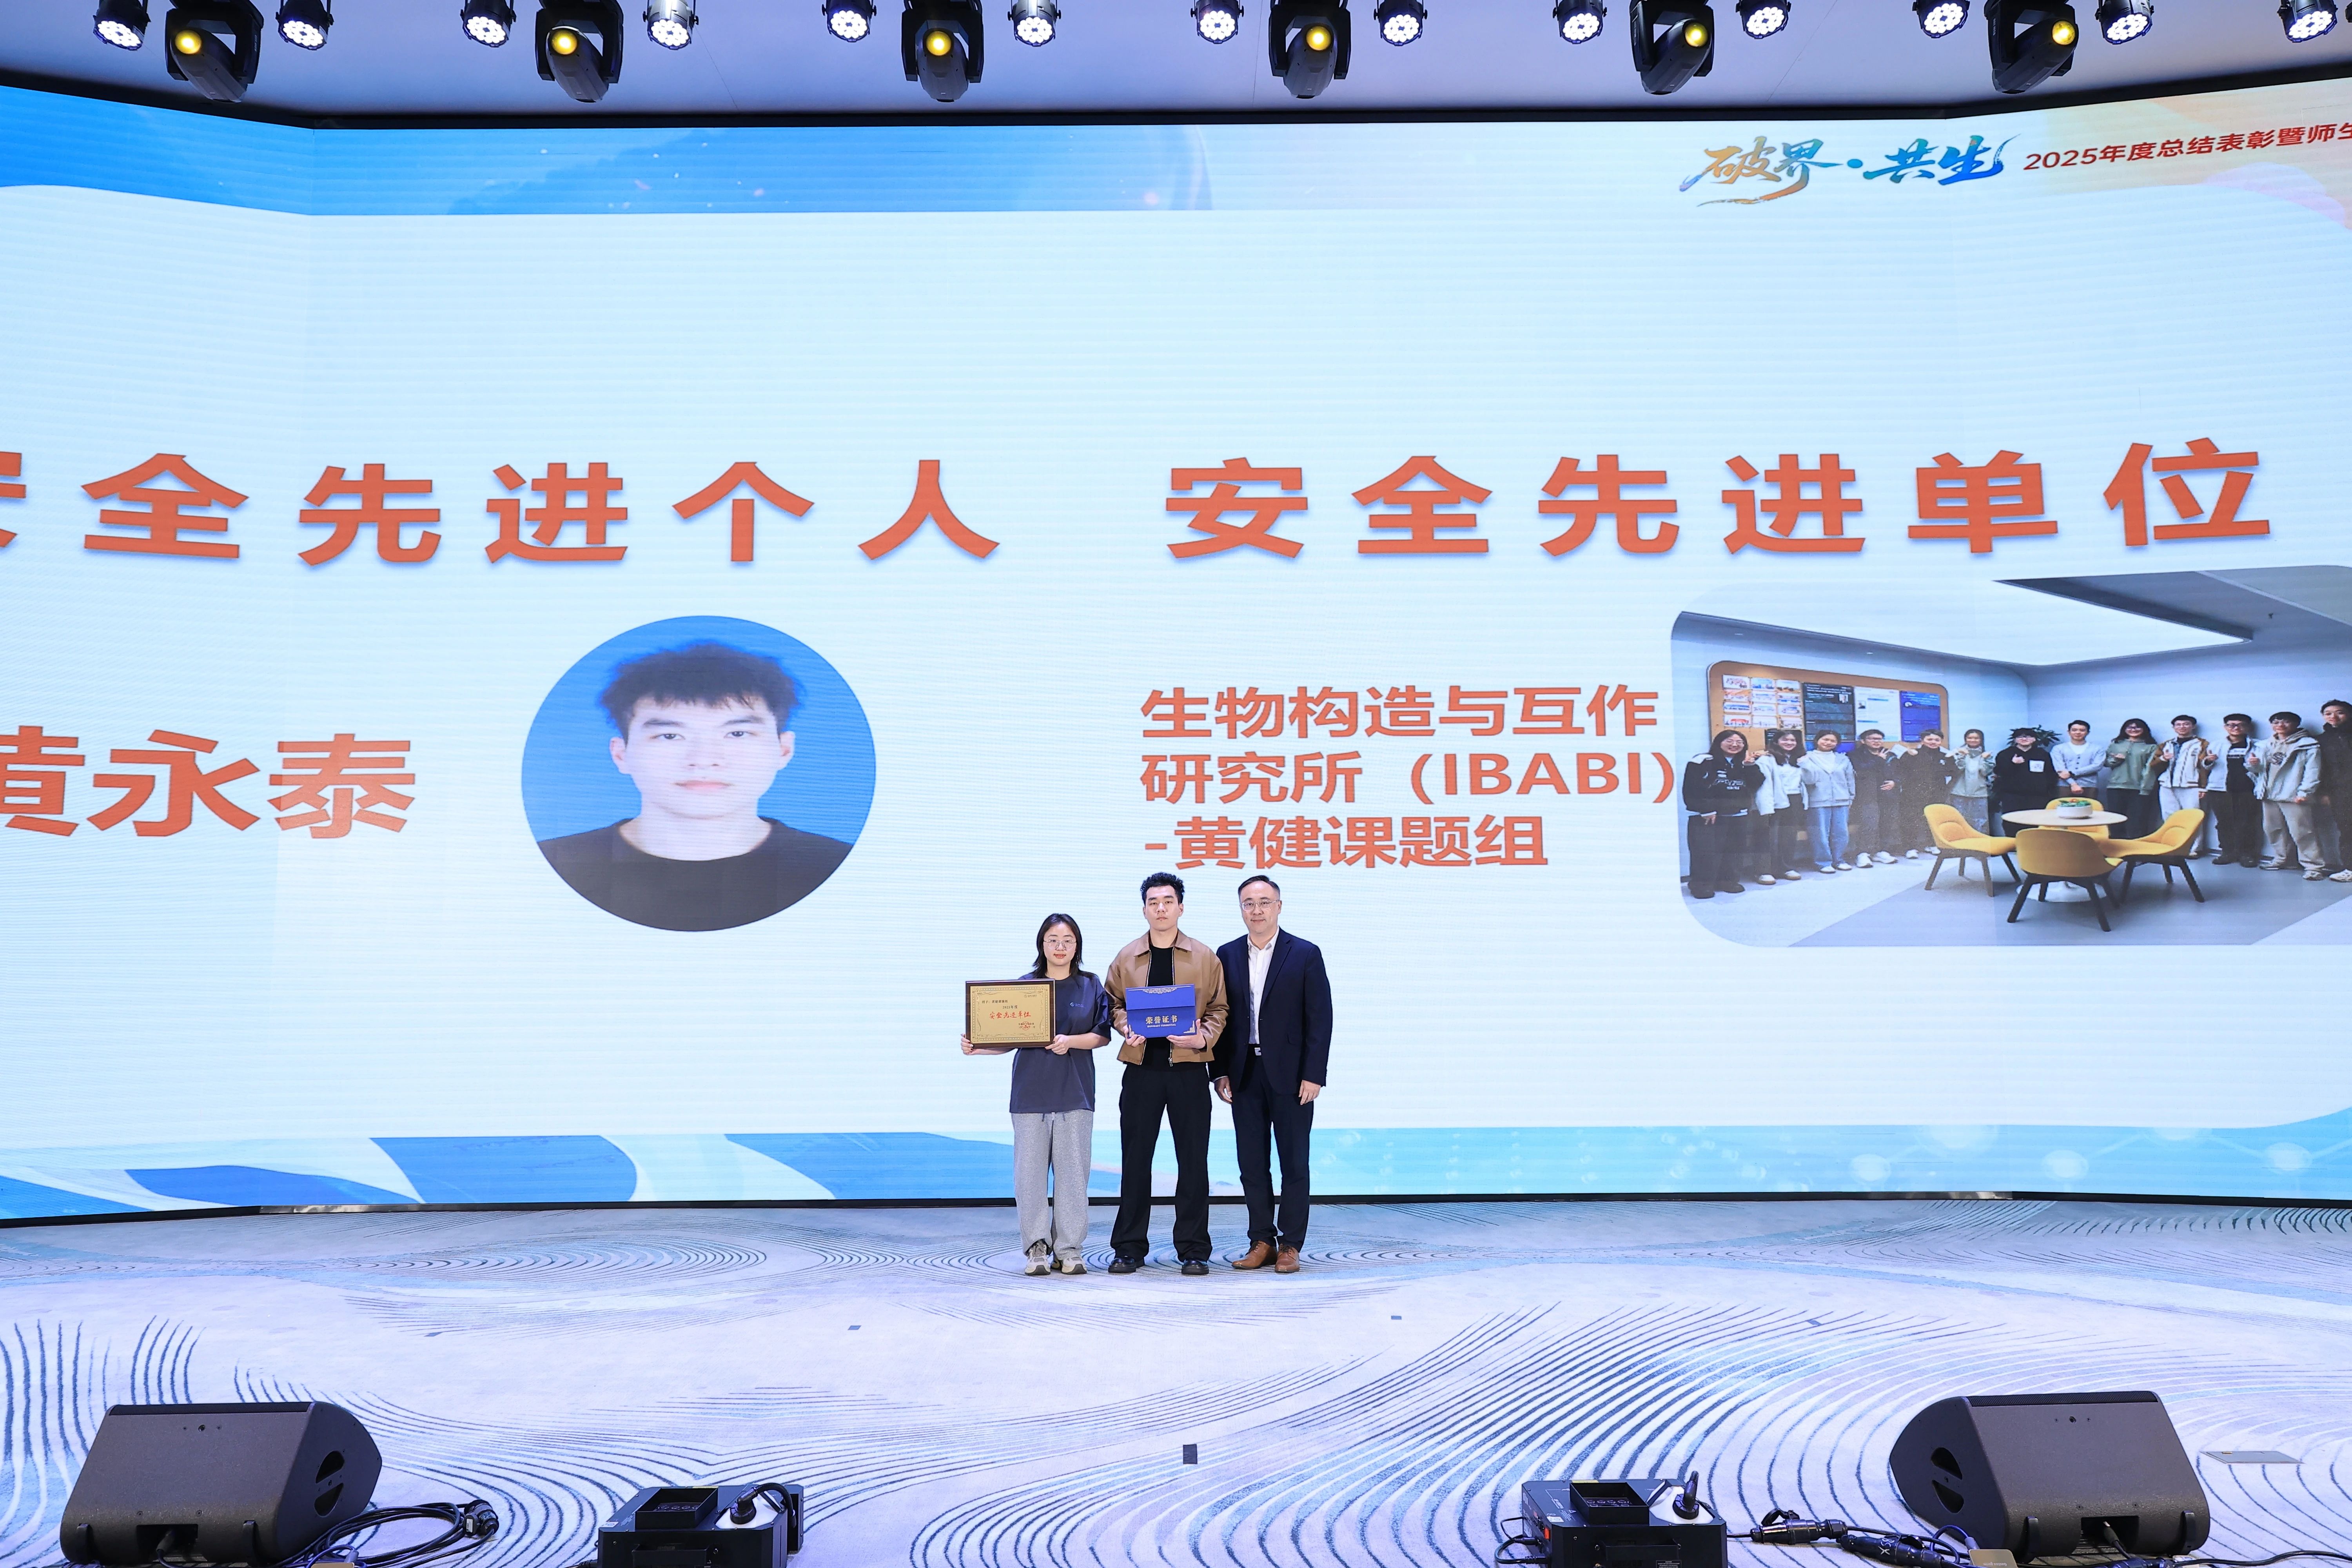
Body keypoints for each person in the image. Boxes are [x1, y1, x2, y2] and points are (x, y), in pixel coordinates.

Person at [536, 642, 853, 931]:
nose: (704, 760)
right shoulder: (549, 867)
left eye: (737, 734)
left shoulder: (843, 869)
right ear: (621, 755)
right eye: (670, 736)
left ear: (783, 750)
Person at [962, 914, 1110, 1276]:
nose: (1060, 947)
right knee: (1029, 1179)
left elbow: (1102, 1035)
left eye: (1068, 940)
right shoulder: (1024, 988)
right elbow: (1007, 1039)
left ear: (1077, 946)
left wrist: (1070, 1042)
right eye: (1053, 940)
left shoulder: (1090, 985)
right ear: (1042, 945)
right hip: (1030, 1096)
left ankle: (1070, 1250)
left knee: (1073, 1178)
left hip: (1075, 1094)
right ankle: (1037, 1249)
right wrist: (978, 1047)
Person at [1104, 872, 1230, 1275]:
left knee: (1193, 1162)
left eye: (1168, 901)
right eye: (1153, 902)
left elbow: (1220, 1008)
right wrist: (1125, 1025)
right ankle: (1128, 1248)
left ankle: (1194, 1249)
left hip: (1189, 1071)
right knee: (1135, 1161)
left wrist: (1202, 1037)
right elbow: (1112, 1004)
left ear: (1181, 907)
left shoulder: (1204, 957)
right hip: (1142, 1071)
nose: (1161, 908)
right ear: (1144, 909)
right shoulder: (1126, 957)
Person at [1212, 877, 1332, 1274]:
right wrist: (1220, 1071)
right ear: (1241, 909)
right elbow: (1220, 1017)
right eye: (1249, 903)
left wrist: (1314, 1074)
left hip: (1293, 1076)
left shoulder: (1305, 953)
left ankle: (1290, 1245)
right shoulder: (1227, 954)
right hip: (1244, 1072)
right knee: (1252, 1163)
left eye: (1265, 902)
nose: (1257, 910)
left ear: (1279, 906)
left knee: (1294, 1163)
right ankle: (1261, 1241)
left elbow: (1320, 1019)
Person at [1682, 730, 1764, 898]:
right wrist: (1706, 810)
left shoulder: (1745, 762)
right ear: (1719, 742)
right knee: (1705, 853)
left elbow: (1756, 784)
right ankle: (1702, 886)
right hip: (1708, 816)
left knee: (1734, 852)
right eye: (1730, 741)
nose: (1735, 745)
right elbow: (1691, 787)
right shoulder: (1703, 760)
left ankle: (1728, 882)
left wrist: (1750, 766)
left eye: (1739, 742)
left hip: (1738, 815)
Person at [2252, 711, 2324, 877]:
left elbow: (2313, 771)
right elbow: (2258, 771)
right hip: (2269, 794)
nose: (2280, 726)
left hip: (2293, 794)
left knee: (2303, 832)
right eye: (2276, 722)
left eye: (2286, 722)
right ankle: (2282, 859)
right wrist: (2253, 765)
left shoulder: (2308, 744)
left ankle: (2314, 867)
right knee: (2273, 830)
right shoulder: (2265, 744)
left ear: (2296, 724)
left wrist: (2305, 792)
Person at [1750, 729, 1809, 883]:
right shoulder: (1767, 759)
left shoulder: (1799, 759)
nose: (1789, 743)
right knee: (1768, 837)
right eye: (1785, 740)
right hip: (1774, 801)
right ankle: (1764, 871)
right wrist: (1766, 807)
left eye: (1793, 740)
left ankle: (1786, 867)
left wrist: (1806, 763)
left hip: (1795, 800)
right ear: (1776, 742)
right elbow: (1764, 786)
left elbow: (1809, 780)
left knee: (1789, 836)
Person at [2155, 715, 2216, 858]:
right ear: (2174, 727)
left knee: (2192, 817)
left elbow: (2204, 767)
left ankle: (2194, 849)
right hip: (2167, 785)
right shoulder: (2166, 744)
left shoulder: (2202, 744)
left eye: (2186, 724)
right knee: (2170, 817)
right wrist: (2163, 759)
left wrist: (2203, 787)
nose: (2182, 727)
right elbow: (2153, 764)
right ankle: (2172, 846)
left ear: (2193, 726)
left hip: (2191, 786)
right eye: (2179, 725)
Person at [2209, 713, 2265, 867]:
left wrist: (2255, 764)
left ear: (2248, 728)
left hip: (2247, 789)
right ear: (2225, 727)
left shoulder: (2258, 745)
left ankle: (2247, 854)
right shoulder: (2216, 745)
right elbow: (2206, 767)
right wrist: (2208, 761)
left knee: (2247, 823)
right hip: (2220, 789)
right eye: (2231, 725)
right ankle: (2227, 852)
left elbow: (2262, 769)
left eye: (2241, 725)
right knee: (2223, 823)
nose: (2236, 728)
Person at [1798, 729, 1855, 873]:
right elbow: (1807, 780)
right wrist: (1804, 764)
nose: (1829, 743)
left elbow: (1850, 779)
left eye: (1833, 741)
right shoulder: (1807, 758)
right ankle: (1823, 862)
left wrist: (1851, 797)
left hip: (1842, 800)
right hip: (1818, 800)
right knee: (1820, 834)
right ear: (1817, 741)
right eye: (1825, 739)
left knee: (1841, 833)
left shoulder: (1843, 759)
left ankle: (1839, 860)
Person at [1897, 730, 1957, 858]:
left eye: (1937, 740)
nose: (1933, 742)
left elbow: (1954, 773)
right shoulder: (1912, 754)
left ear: (1941, 742)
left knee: (1933, 820)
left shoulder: (1946, 756)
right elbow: (1901, 772)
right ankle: (1911, 848)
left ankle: (1931, 844)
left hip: (1936, 794)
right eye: (1930, 740)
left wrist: (1946, 788)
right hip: (1913, 794)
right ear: (1922, 740)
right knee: (1911, 820)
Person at [2102, 717, 2163, 840]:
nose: (2134, 730)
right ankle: (2116, 845)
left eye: (2137, 727)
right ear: (2124, 729)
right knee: (2115, 819)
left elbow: (2150, 769)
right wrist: (2117, 760)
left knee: (2138, 820)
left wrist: (2145, 788)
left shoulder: (2151, 747)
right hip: (2116, 786)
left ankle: (2136, 847)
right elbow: (2106, 763)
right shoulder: (2116, 744)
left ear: (2144, 729)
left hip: (2139, 788)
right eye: (2130, 727)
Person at [1847, 729, 1902, 865]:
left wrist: (1895, 782)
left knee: (1887, 824)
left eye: (1879, 739)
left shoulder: (1890, 755)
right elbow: (1861, 771)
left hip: (1888, 795)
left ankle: (1882, 851)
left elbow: (1900, 773)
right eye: (1872, 739)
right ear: (1863, 741)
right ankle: (1863, 853)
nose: (1877, 741)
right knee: (1869, 824)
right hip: (1867, 795)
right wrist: (1878, 760)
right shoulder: (1855, 755)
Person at [1990, 727, 2053, 835]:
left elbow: (2050, 773)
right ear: (2015, 740)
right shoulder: (2006, 754)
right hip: (2012, 796)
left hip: (2037, 796)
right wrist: (2012, 763)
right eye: (2020, 737)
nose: (2024, 739)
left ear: (2034, 739)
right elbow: (1999, 772)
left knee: (2035, 821)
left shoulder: (2042, 754)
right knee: (2012, 822)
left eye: (2028, 737)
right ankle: (2012, 843)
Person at [2316, 699, 2352, 883]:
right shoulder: (2321, 740)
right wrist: (2323, 793)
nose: (2334, 717)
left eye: (2340, 712)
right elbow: (2321, 769)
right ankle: (2350, 869)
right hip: (2340, 793)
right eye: (2328, 713)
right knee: (2347, 830)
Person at [1949, 729, 1994, 833]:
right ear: (1965, 739)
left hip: (1980, 793)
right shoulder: (1957, 752)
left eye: (1976, 738)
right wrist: (1962, 756)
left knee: (1980, 822)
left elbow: (1986, 773)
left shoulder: (1986, 755)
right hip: (1959, 793)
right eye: (1970, 738)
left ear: (1981, 740)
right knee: (1959, 820)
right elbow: (1956, 771)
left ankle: (1979, 843)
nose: (1973, 740)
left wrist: (1986, 759)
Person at [2051, 720, 2105, 799]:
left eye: (2082, 730)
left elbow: (2097, 766)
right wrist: (2073, 784)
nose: (2078, 733)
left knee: (2090, 807)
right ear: (2069, 732)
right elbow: (2060, 769)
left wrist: (2072, 773)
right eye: (2074, 730)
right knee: (2063, 807)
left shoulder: (2098, 749)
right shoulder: (2058, 749)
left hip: (2089, 785)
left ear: (2088, 733)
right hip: (2065, 785)